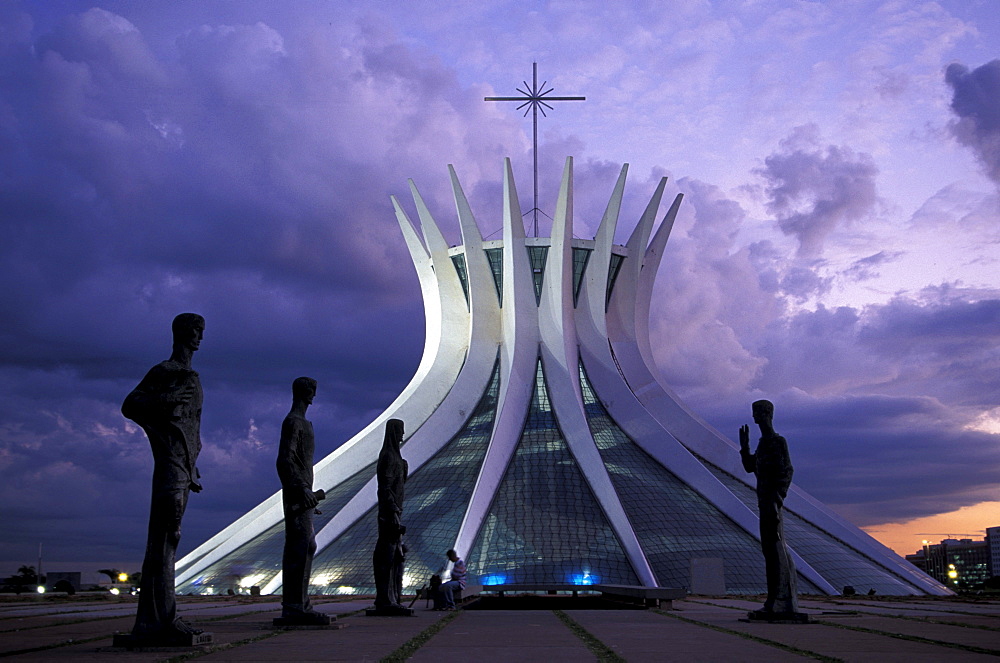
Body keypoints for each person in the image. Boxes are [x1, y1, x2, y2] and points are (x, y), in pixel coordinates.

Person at [121, 313, 208, 645]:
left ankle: (162, 617)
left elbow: (192, 429)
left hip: (184, 466)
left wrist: (193, 464)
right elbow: (131, 405)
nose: (200, 338)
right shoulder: (165, 372)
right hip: (169, 463)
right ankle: (156, 620)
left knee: (171, 537)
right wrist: (167, 400)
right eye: (196, 332)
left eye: (202, 332)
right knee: (165, 534)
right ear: (182, 333)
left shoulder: (193, 377)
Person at [275, 377, 330, 626]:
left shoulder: (306, 423)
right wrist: (299, 488)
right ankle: (294, 606)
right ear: (300, 391)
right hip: (297, 494)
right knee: (299, 546)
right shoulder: (293, 422)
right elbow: (285, 460)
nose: (314, 396)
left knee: (308, 546)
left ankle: (301, 603)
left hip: (305, 495)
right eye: (311, 391)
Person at [740, 399, 799, 616]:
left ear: (767, 414)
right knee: (769, 550)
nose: (754, 417)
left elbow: (787, 471)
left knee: (776, 548)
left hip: (771, 503)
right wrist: (744, 447)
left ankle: (782, 600)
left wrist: (776, 499)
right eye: (753, 412)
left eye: (757, 412)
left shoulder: (777, 442)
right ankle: (774, 599)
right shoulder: (763, 443)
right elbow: (749, 467)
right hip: (764, 501)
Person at [372, 419, 408, 612]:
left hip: (396, 511)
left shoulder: (398, 459)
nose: (402, 435)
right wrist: (393, 511)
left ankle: (392, 597)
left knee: (395, 556)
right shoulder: (387, 456)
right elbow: (384, 488)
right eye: (400, 431)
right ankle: (384, 599)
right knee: (387, 554)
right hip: (389, 514)